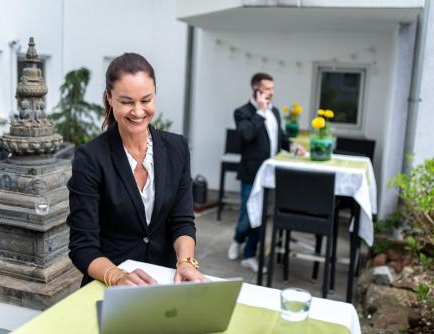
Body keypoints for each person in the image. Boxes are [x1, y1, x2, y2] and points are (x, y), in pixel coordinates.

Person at [67, 53, 205, 287]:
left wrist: (186, 262)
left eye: (146, 100)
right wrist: (117, 276)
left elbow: (182, 221)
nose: (138, 111)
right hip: (109, 284)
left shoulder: (177, 148)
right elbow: (82, 246)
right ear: (109, 98)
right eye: (127, 101)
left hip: (164, 282)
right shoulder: (90, 158)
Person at [227, 72, 305, 273]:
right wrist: (260, 113)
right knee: (247, 214)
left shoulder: (275, 112)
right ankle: (237, 239)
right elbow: (246, 135)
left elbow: (281, 138)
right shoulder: (242, 112)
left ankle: (249, 255)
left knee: (260, 216)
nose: (272, 92)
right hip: (251, 173)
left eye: (272, 88)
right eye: (268, 88)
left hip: (270, 176)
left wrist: (293, 147)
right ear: (256, 89)